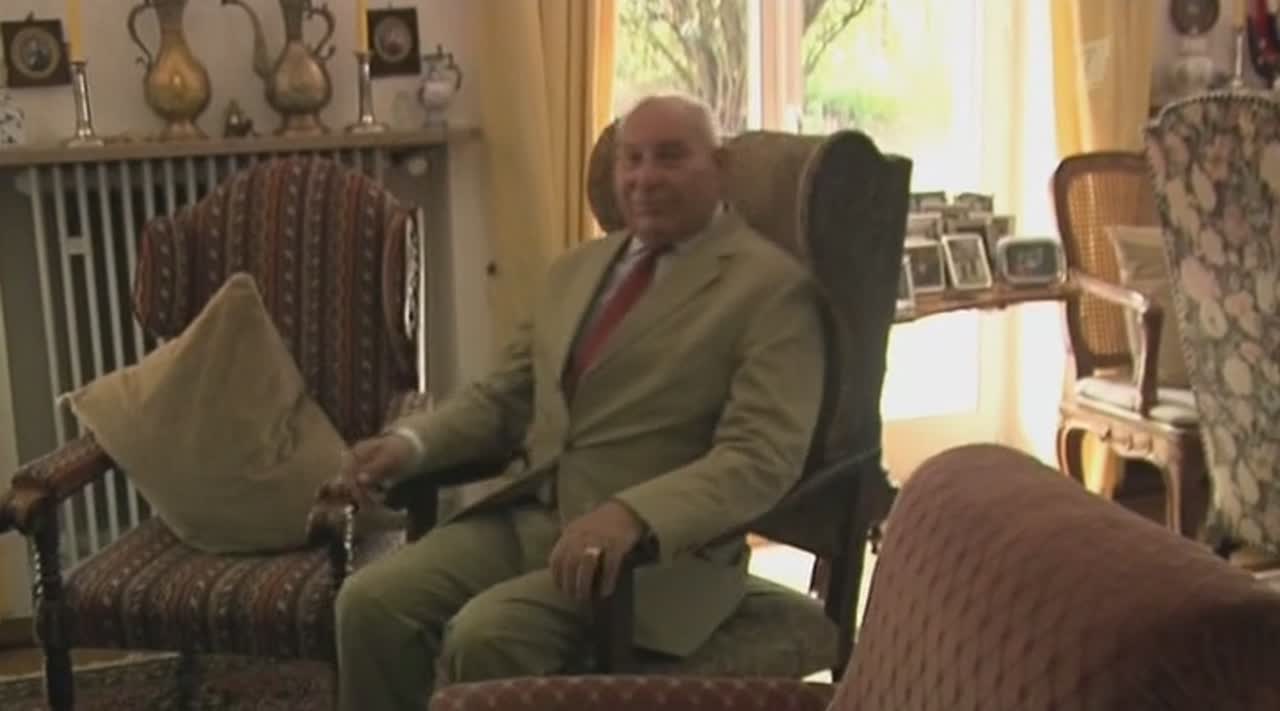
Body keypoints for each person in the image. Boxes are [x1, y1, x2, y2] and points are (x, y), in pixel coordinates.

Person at [334, 93, 827, 710]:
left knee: (487, 637)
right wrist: (409, 445)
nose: (645, 178)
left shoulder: (771, 290)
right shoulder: (574, 270)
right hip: (531, 521)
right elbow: (503, 397)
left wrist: (632, 515)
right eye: (632, 160)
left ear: (720, 167)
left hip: (656, 560)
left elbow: (760, 456)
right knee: (368, 604)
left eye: (670, 157)